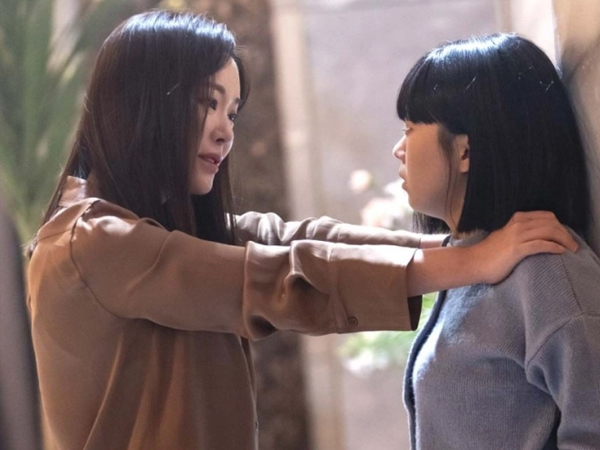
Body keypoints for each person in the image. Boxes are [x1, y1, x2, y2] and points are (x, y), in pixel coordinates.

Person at [27, 11, 577, 450]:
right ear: (144, 102)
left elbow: (295, 240)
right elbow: (270, 278)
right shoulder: (88, 242)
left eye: (233, 112)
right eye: (207, 103)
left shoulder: (159, 226)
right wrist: (472, 260)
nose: (225, 131)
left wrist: (461, 246)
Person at [394, 33, 600, 449]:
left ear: (465, 152)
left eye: (410, 128)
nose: (399, 149)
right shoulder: (472, 263)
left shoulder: (548, 268)